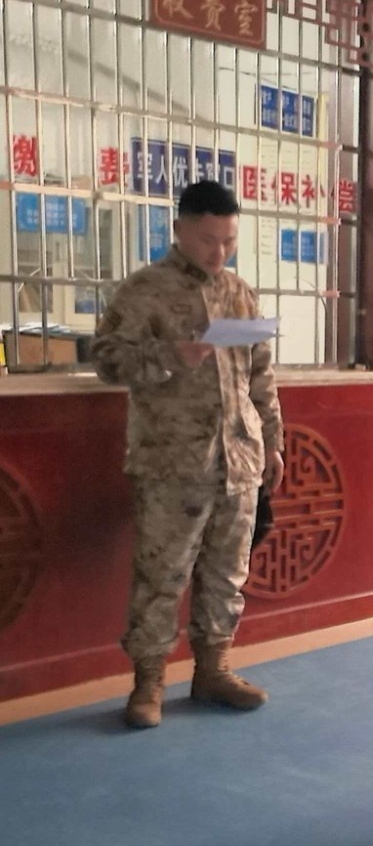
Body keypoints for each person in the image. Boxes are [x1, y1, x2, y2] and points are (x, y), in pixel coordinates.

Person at [92, 180, 283, 729]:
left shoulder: (241, 294)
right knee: (161, 575)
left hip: (238, 459)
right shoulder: (144, 291)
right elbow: (106, 358)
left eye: (228, 241)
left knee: (227, 574)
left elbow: (260, 375)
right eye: (207, 240)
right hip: (171, 462)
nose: (219, 252)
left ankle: (213, 669)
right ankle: (149, 681)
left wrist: (273, 441)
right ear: (178, 230)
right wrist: (168, 354)